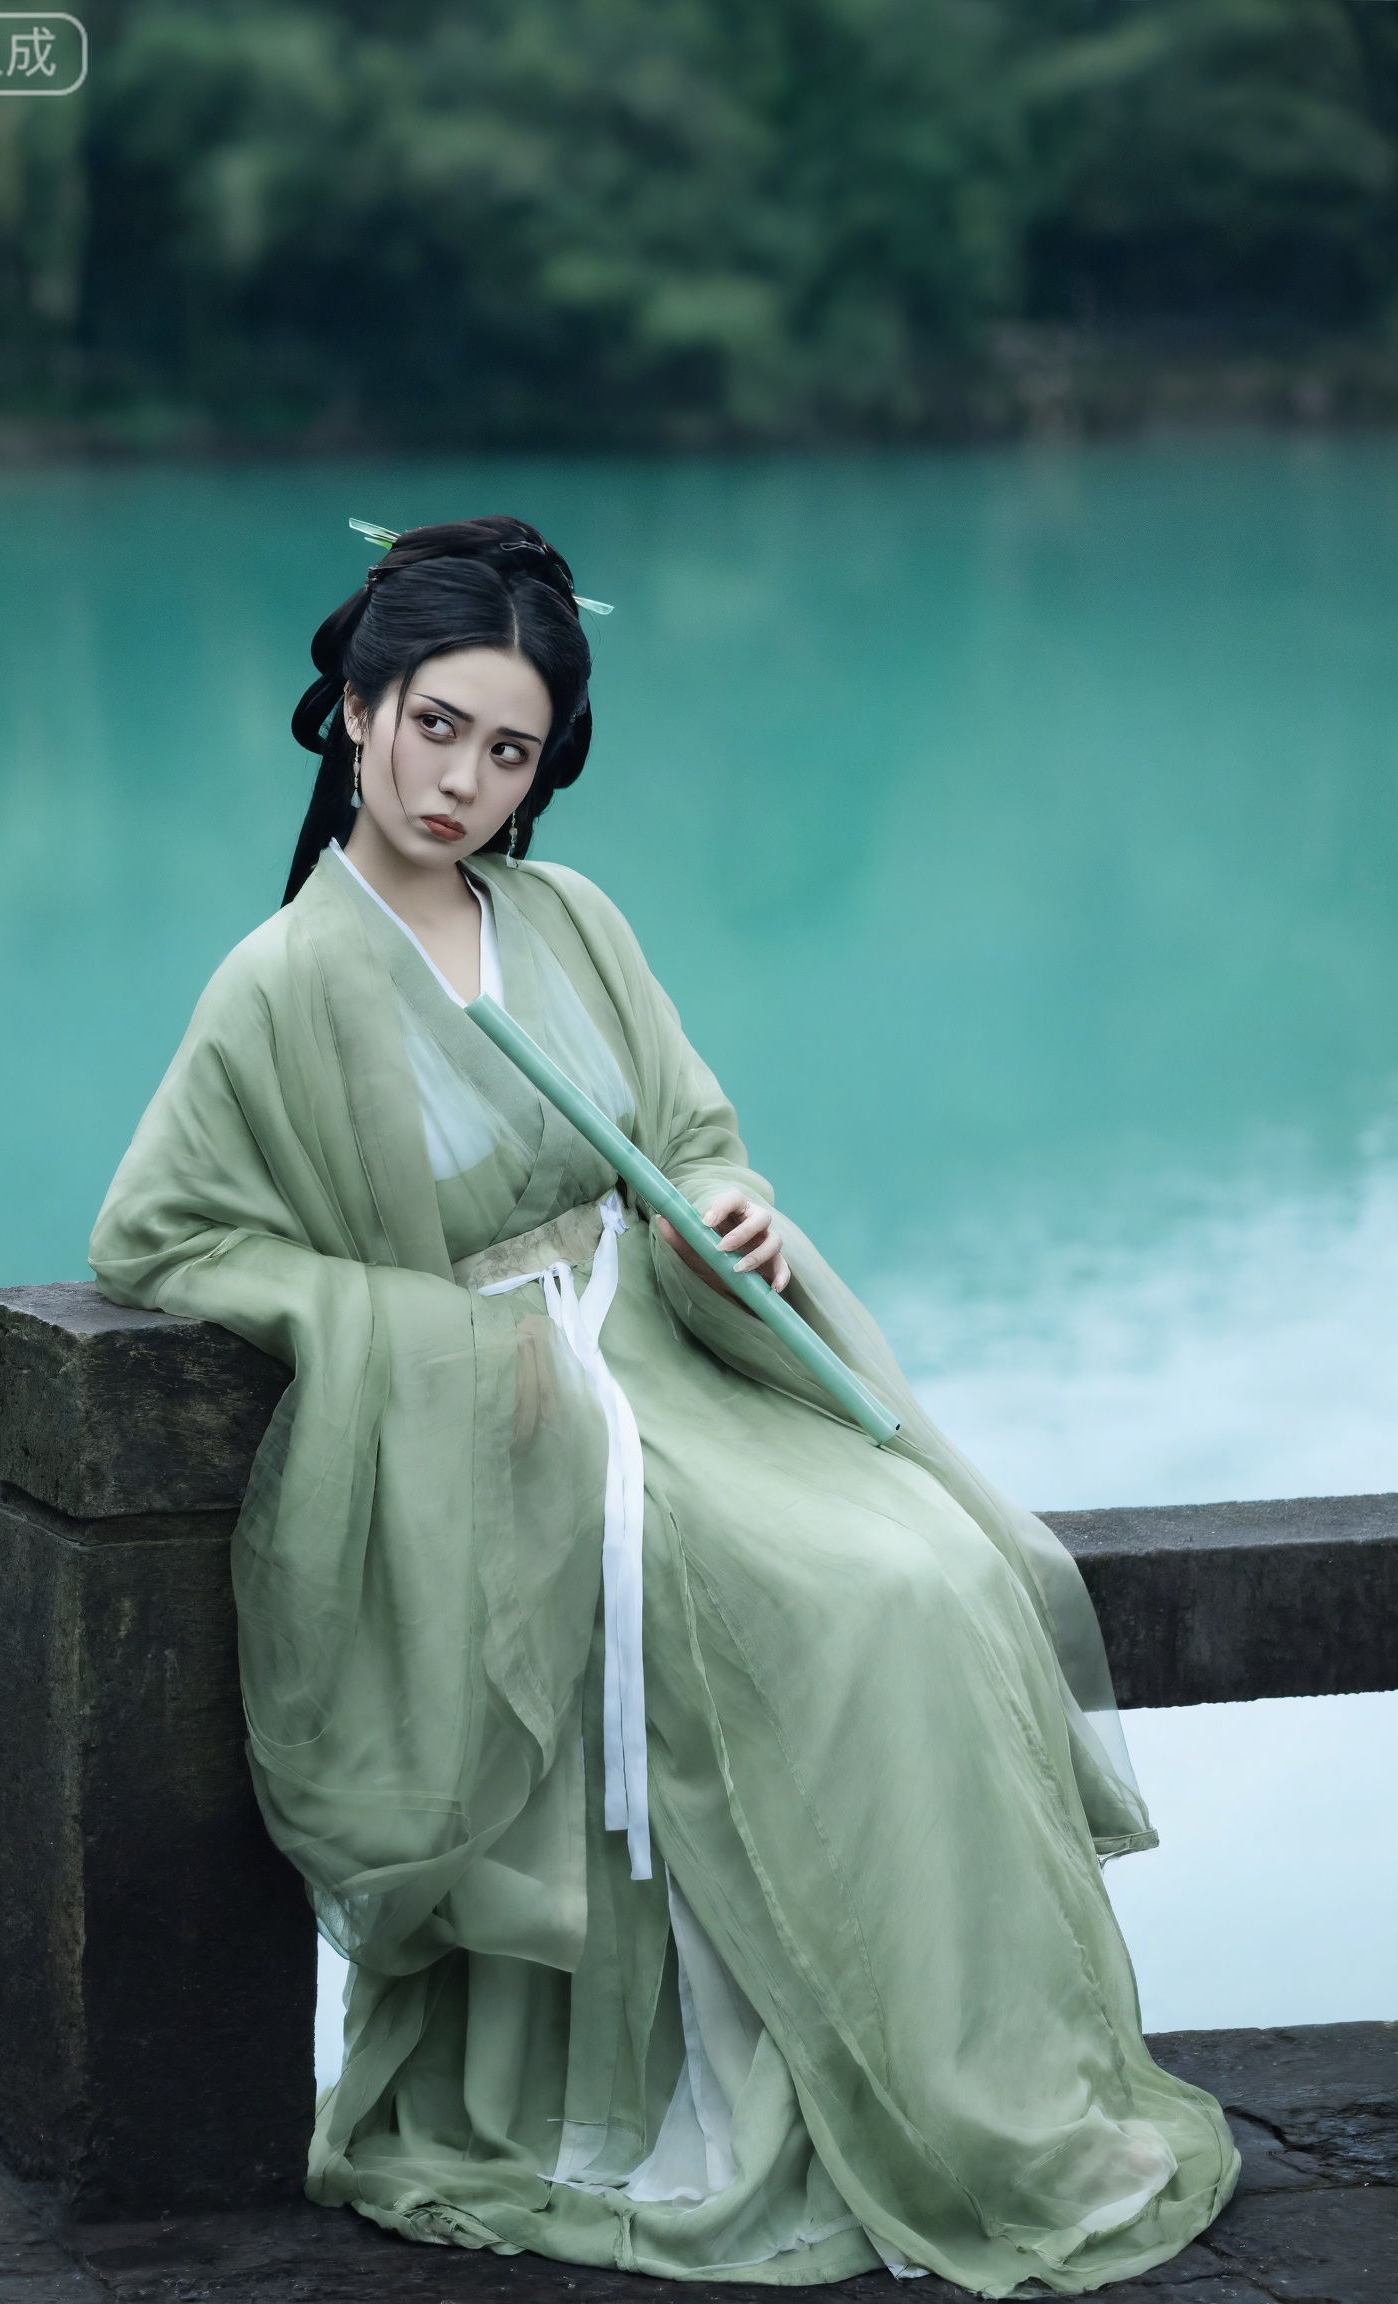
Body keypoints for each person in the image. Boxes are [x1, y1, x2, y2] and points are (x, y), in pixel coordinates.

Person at [89, 515, 1238, 2296]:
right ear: (353, 713)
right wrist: (429, 1339)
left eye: (510, 750)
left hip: (654, 1362)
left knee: (932, 1574)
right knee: (839, 1607)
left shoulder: (572, 922)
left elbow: (687, 1137)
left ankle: (966, 2094)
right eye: (437, 725)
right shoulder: (281, 984)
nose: (464, 779)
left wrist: (731, 1209)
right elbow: (162, 1235)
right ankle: (706, 2099)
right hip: (512, 1421)